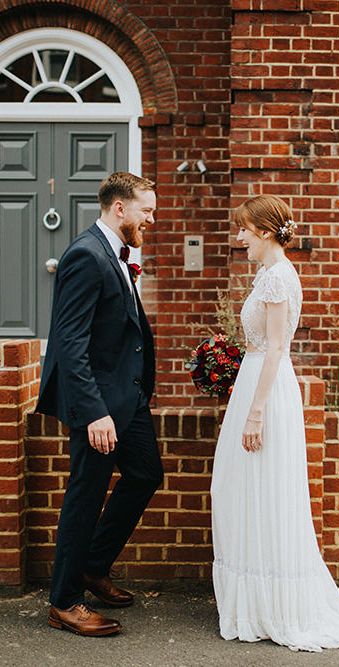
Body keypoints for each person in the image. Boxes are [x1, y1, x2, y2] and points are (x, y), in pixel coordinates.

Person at [211, 195, 339, 651]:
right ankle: (253, 603)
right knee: (238, 489)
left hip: (267, 394)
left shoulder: (278, 277)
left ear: (267, 232)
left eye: (244, 231)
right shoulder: (267, 273)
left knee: (264, 491)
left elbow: (276, 348)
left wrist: (255, 411)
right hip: (254, 381)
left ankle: (273, 606)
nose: (239, 239)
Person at [36, 172, 162, 636]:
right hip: (98, 404)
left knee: (147, 473)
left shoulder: (117, 252)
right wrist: (93, 411)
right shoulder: (87, 255)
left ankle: (93, 566)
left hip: (127, 396)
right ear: (120, 208)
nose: (152, 218)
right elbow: (69, 343)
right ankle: (64, 601)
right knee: (85, 496)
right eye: (146, 210)